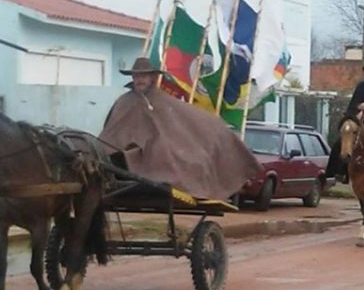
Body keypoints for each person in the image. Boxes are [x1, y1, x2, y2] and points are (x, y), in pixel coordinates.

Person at [100, 57, 261, 200]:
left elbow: (176, 127)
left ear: (153, 77)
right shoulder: (123, 102)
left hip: (156, 151)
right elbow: (111, 131)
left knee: (165, 151)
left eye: (143, 75)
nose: (139, 79)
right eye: (136, 76)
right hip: (120, 156)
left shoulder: (163, 101)